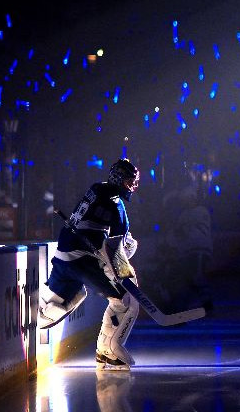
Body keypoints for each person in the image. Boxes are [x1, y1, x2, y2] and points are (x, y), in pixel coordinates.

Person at [39, 158, 141, 370]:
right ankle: (109, 351)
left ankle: (27, 329)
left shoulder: (96, 188)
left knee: (62, 303)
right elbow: (116, 249)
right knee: (126, 300)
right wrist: (126, 275)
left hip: (63, 256)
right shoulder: (116, 203)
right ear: (119, 180)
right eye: (129, 181)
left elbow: (95, 231)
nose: (131, 186)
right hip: (80, 261)